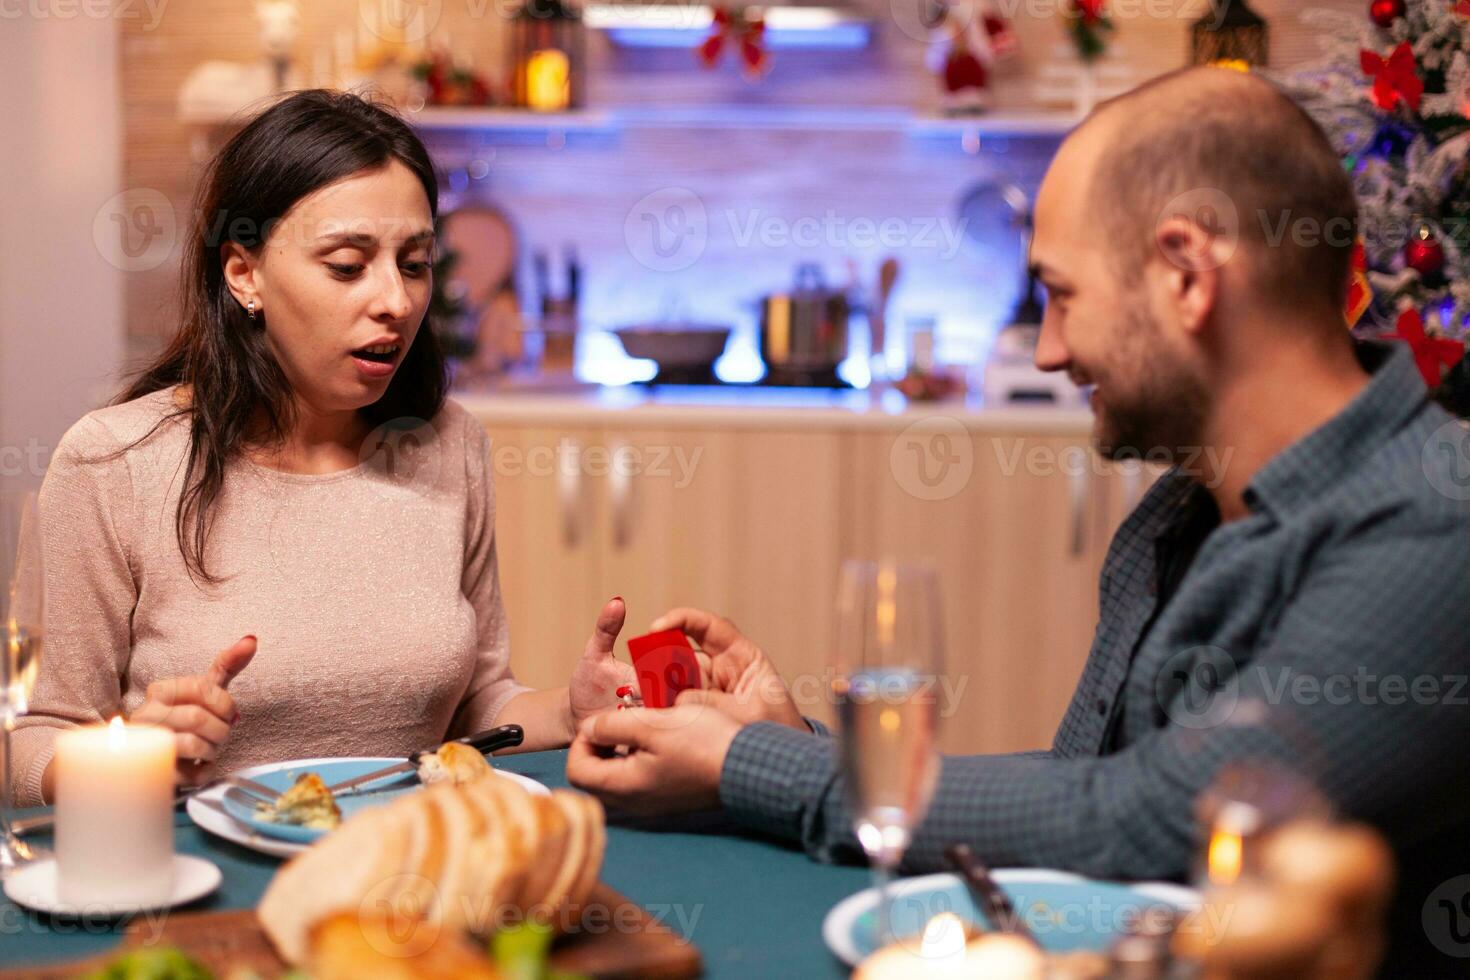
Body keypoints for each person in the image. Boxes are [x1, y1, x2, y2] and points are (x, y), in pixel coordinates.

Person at [566, 67, 1470, 975]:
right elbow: (1083, 794)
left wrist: (750, 765)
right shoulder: (1177, 515)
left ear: (1189, 275)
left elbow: (1151, 819)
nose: (1048, 349)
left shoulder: (1436, 526)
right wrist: (801, 753)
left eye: (1061, 294)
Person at [12, 90, 631, 808]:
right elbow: (34, 742)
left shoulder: (447, 444)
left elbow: (477, 707)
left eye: (416, 263)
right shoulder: (111, 464)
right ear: (244, 274)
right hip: (201, 889)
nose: (395, 301)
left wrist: (568, 711)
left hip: (411, 877)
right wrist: (126, 760)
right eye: (347, 266)